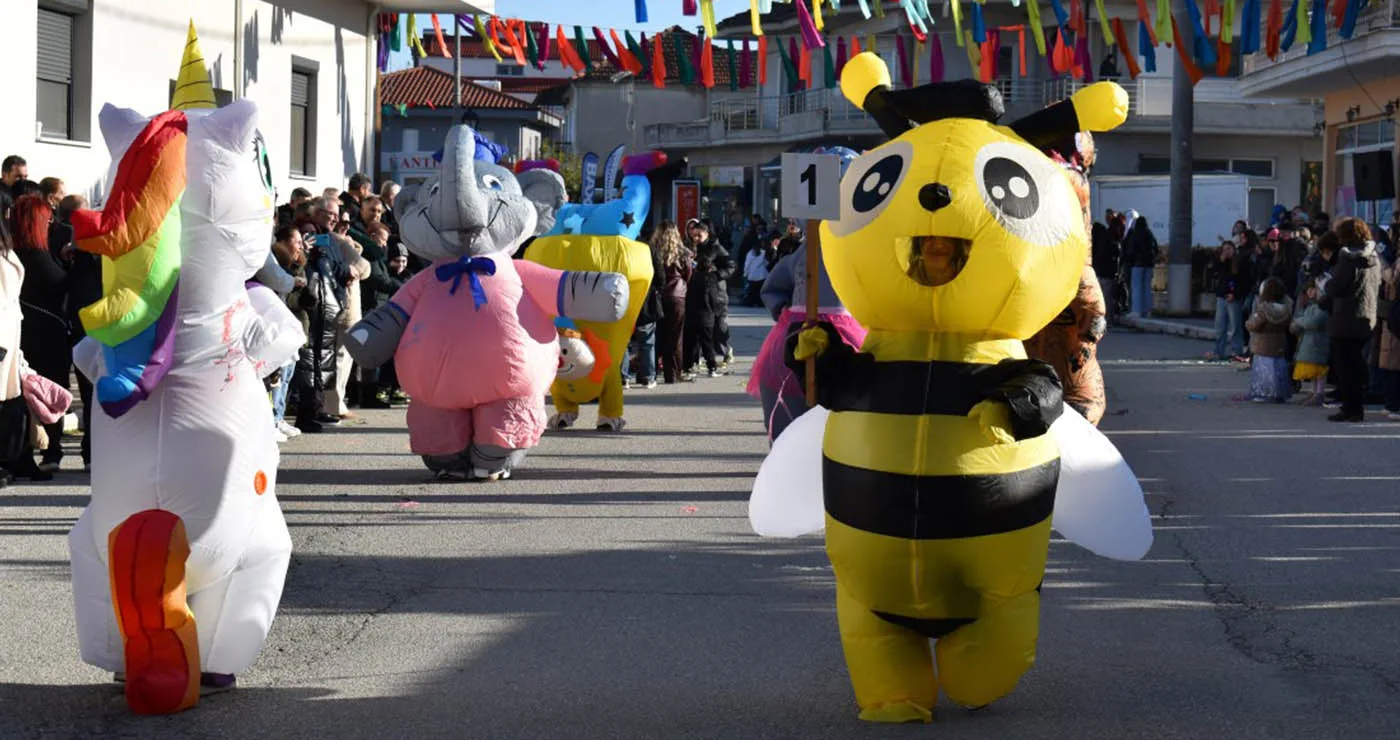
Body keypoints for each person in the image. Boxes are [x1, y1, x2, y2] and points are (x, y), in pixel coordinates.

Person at [752, 239, 866, 441]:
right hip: (805, 327)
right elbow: (773, 287)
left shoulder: (856, 248)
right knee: (790, 388)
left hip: (839, 327)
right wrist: (782, 309)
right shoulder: (804, 253)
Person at [12, 195, 70, 473]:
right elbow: (60, 284)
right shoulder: (38, 256)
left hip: (19, 336)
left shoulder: (11, 255)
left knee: (19, 395)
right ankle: (51, 451)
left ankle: (20, 452)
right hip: (48, 336)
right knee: (50, 392)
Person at [1320, 218, 1381, 422]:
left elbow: (1338, 287)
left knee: (1346, 368)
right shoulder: (1373, 256)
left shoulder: (1348, 258)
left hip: (1346, 318)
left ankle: (1351, 409)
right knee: (1357, 364)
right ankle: (1356, 407)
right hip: (1367, 315)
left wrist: (1326, 286)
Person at [688, 219, 734, 369]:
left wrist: (716, 275)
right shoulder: (691, 248)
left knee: (718, 327)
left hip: (717, 294)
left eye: (699, 236)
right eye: (693, 235)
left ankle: (726, 350)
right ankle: (699, 358)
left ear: (706, 234)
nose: (695, 239)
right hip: (698, 293)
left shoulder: (716, 248)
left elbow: (731, 266)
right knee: (700, 328)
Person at [1240, 277, 1294, 403]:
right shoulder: (1285, 309)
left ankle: (1263, 392)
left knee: (1264, 370)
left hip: (1263, 344)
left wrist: (1248, 323)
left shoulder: (1263, 309)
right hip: (1279, 343)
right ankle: (1278, 393)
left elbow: (1253, 325)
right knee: (1278, 369)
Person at [653, 221, 691, 384]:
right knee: (675, 337)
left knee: (657, 335)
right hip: (677, 296)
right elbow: (688, 273)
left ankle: (649, 372)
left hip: (658, 295)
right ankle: (673, 374)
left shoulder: (652, 250)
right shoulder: (683, 252)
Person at [1291, 277, 1330, 407]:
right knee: (1314, 370)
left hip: (1319, 342)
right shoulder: (1311, 305)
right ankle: (1314, 393)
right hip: (1311, 341)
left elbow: (1311, 322)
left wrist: (1299, 322)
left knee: (1320, 370)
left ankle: (1319, 393)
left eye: (1313, 289)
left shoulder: (1323, 306)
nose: (1310, 292)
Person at [685, 254, 724, 377]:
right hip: (706, 316)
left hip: (691, 315)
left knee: (691, 343)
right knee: (707, 343)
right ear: (710, 267)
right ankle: (711, 368)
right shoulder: (710, 278)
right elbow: (713, 298)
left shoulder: (692, 278)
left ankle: (688, 367)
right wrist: (717, 312)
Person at [1208, 241, 1243, 361]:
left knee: (1235, 327)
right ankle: (1218, 351)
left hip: (1233, 298)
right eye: (1224, 249)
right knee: (1220, 327)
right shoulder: (1222, 262)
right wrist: (1220, 261)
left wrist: (1235, 294)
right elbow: (1213, 273)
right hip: (1222, 296)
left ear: (1233, 249)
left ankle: (1236, 352)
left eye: (1229, 248)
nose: (1227, 251)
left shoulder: (1238, 262)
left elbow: (1243, 280)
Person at [1121, 215, 1158, 317]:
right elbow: (1156, 248)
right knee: (1147, 288)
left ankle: (1136, 310)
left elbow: (1130, 249)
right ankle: (1147, 311)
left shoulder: (1135, 233)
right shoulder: (1149, 233)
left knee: (1136, 287)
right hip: (1149, 264)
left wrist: (1129, 259)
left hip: (1137, 264)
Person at [743, 238, 771, 307]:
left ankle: (750, 303)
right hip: (762, 275)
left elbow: (747, 264)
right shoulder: (763, 253)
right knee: (760, 291)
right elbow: (766, 263)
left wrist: (745, 273)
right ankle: (760, 303)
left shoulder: (750, 253)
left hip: (752, 275)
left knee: (751, 291)